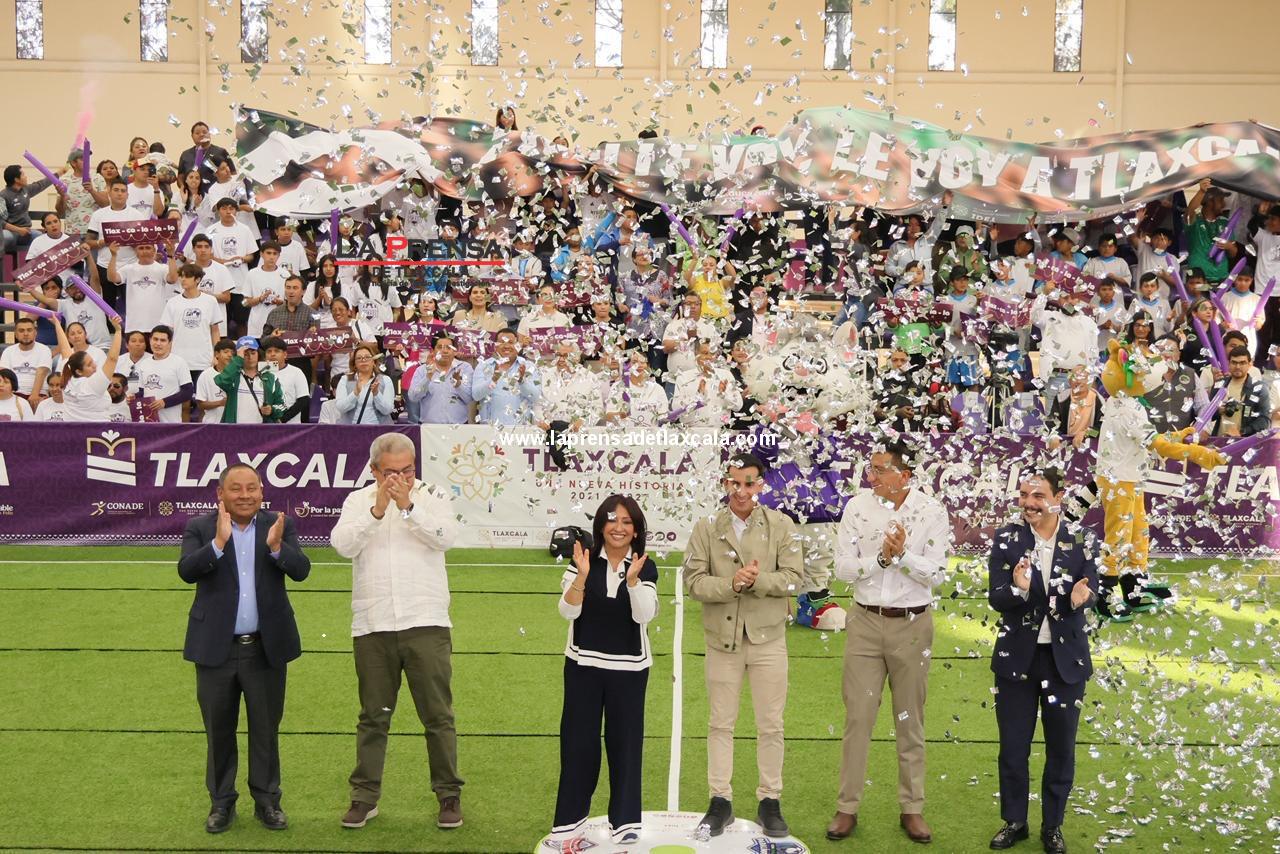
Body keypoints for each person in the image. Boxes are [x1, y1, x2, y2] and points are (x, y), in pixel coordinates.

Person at [330, 432, 465, 831]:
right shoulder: (358, 501)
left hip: (427, 621)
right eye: (391, 472)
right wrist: (377, 510)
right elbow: (342, 545)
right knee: (373, 717)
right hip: (373, 624)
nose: (400, 479)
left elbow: (446, 538)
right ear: (374, 470)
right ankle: (364, 797)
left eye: (407, 470)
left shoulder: (432, 496)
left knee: (437, 716)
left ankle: (449, 795)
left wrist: (408, 507)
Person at [827, 440, 950, 844]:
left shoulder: (930, 511)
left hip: (913, 626)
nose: (872, 476)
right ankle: (847, 807)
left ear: (905, 475)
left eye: (880, 469)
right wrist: (879, 560)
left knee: (910, 719)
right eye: (871, 468)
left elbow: (937, 573)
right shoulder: (856, 507)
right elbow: (842, 568)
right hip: (864, 622)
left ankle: (912, 808)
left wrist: (901, 558)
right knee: (858, 718)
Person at [177, 464, 310, 834]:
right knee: (218, 730)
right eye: (236, 488)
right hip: (215, 649)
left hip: (266, 649)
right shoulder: (200, 527)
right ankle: (221, 803)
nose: (245, 495)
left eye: (252, 488)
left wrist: (278, 547)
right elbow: (186, 571)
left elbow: (302, 570)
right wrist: (218, 544)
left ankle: (267, 802)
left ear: (262, 491)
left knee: (265, 729)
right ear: (220, 493)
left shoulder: (278, 524)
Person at [683, 452, 805, 839]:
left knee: (771, 725)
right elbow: (693, 582)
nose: (741, 490)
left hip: (769, 638)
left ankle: (770, 801)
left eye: (749, 483)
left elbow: (795, 579)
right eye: (734, 482)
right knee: (720, 723)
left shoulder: (781, 525)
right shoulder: (706, 527)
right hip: (723, 641)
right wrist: (731, 584)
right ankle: (720, 800)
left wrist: (757, 580)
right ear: (724, 483)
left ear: (761, 485)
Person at [987, 469, 1097, 854]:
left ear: (1058, 498)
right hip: (1016, 660)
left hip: (1065, 663)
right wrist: (1018, 589)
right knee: (1013, 747)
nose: (1029, 503)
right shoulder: (1006, 538)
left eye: (1038, 495)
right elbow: (996, 597)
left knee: (1061, 749)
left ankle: (1053, 826)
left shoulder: (1082, 538)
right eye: (1023, 495)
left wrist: (1083, 598)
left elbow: (1094, 588)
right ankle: (1015, 822)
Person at [552, 495, 658, 846]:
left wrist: (632, 582)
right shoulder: (583, 559)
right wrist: (581, 577)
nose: (619, 527)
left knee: (625, 744)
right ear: (600, 525)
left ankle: (625, 821)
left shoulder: (644, 566)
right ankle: (570, 821)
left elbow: (644, 615)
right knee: (578, 743)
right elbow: (568, 611)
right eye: (612, 520)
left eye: (627, 522)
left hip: (629, 669)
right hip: (583, 666)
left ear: (636, 530)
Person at [50, 315, 122, 422]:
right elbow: (112, 359)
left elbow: (65, 348)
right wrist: (118, 331)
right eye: (89, 365)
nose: (95, 366)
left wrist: (57, 324)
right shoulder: (95, 384)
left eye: (92, 361)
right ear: (79, 371)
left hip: (71, 428)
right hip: (97, 429)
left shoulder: (68, 378)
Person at [473, 330, 541, 426]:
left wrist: (522, 381)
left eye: (511, 342)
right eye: (502, 342)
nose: (506, 346)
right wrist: (493, 380)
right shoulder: (483, 366)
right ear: (495, 345)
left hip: (521, 429)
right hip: (489, 429)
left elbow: (536, 397)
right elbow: (476, 395)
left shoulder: (529, 366)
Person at [214, 337, 284, 424]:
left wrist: (272, 410)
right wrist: (238, 359)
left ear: (258, 354)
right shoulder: (233, 376)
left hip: (262, 431)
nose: (250, 357)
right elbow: (221, 381)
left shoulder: (271, 378)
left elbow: (282, 405)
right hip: (234, 430)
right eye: (245, 354)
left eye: (253, 353)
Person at [408, 333, 475, 424]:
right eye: (440, 347)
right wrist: (427, 377)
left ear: (455, 351)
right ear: (433, 351)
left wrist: (458, 385)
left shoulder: (464, 368)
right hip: (429, 428)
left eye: (449, 348)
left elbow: (470, 399)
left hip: (459, 427)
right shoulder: (422, 370)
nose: (445, 351)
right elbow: (413, 397)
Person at [1212, 346, 1270, 437]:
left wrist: (1241, 432)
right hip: (1218, 439)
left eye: (1242, 363)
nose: (1238, 367)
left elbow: (1264, 421)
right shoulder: (1220, 384)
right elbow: (1206, 415)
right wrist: (1218, 410)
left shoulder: (1259, 388)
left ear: (1250, 364)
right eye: (1234, 362)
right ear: (1228, 363)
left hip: (1245, 442)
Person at [337, 343, 395, 425]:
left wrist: (376, 394)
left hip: (379, 429)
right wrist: (355, 393)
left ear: (374, 362)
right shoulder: (345, 379)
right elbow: (340, 408)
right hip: (351, 429)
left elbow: (387, 410)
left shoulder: (385, 380)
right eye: (359, 358)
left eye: (367, 357)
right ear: (354, 364)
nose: (363, 360)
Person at [0, 316, 52, 405]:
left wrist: (34, 395)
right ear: (16, 334)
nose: (26, 333)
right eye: (21, 331)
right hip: (14, 393)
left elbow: (41, 372)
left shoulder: (44, 349)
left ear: (35, 332)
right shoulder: (8, 351)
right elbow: (4, 375)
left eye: (29, 330)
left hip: (39, 394)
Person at [195, 339, 235, 424]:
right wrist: (220, 403)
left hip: (234, 425)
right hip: (212, 425)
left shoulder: (239, 374)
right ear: (216, 354)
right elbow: (200, 405)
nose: (230, 355)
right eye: (226, 352)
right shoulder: (205, 375)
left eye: (232, 353)